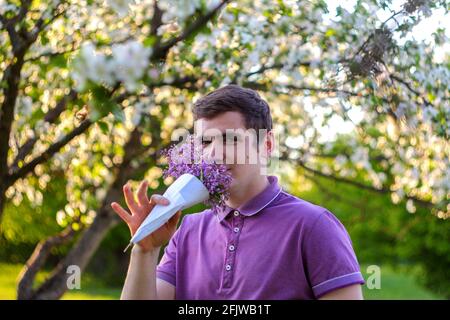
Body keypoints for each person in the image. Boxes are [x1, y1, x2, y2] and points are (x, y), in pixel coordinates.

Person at [111, 85, 365, 300]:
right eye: (206, 141)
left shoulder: (314, 225)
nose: (214, 154)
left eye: (230, 139)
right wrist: (144, 250)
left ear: (266, 144)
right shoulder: (187, 229)